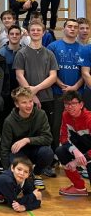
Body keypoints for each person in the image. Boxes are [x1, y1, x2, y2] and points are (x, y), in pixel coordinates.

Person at [14, 20, 58, 162]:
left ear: (43, 32)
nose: (35, 32)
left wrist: (36, 89)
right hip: (27, 101)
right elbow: (19, 76)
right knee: (28, 132)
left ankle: (46, 163)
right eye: (33, 30)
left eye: (38, 30)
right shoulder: (21, 53)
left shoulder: (49, 54)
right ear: (28, 32)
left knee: (46, 132)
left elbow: (53, 77)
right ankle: (25, 163)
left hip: (47, 98)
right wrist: (31, 96)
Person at [0, 86, 53, 190]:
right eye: (24, 102)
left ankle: (37, 174)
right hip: (18, 153)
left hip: (36, 149)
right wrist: (7, 172)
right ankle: (26, 176)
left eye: (30, 101)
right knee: (16, 166)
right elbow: (4, 148)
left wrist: (27, 140)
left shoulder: (41, 114)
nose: (29, 105)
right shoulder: (9, 121)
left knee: (48, 152)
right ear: (17, 104)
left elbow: (48, 138)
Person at [47, 18, 84, 149]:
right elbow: (49, 70)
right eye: (69, 26)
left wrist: (75, 87)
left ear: (78, 30)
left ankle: (78, 153)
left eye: (75, 27)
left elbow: (85, 73)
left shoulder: (83, 49)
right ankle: (56, 152)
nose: (72, 29)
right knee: (56, 124)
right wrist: (61, 85)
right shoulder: (53, 47)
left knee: (77, 125)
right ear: (64, 29)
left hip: (77, 94)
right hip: (58, 93)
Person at [55, 91, 91, 196]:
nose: (69, 107)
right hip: (79, 150)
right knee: (60, 151)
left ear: (81, 104)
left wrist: (77, 161)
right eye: (66, 104)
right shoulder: (65, 115)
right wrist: (74, 151)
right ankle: (79, 187)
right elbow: (63, 138)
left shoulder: (89, 119)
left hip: (89, 152)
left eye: (73, 103)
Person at [0, 24, 23, 91]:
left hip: (22, 90)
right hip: (5, 90)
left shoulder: (25, 53)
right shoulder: (0, 53)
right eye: (12, 34)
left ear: (21, 36)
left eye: (17, 34)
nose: (14, 36)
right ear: (7, 36)